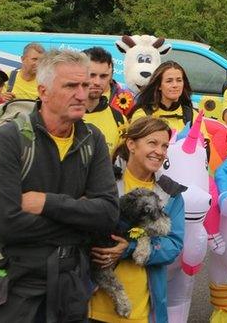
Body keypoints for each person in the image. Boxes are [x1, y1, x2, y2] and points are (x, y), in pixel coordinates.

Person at [0, 48, 118, 322]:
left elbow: (108, 213)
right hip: (13, 288)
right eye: (71, 86)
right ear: (43, 92)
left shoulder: (92, 139)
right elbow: (5, 223)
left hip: (71, 288)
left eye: (85, 85)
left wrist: (45, 203)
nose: (82, 93)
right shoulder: (10, 138)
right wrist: (80, 218)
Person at [88, 116, 185, 323]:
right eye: (152, 143)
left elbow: (174, 245)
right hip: (91, 306)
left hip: (140, 311)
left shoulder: (170, 193)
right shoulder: (104, 181)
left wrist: (129, 248)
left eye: (165, 146)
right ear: (131, 144)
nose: (159, 151)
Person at [81, 47, 127, 156]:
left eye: (103, 76)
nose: (97, 82)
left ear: (110, 77)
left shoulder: (119, 120)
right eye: (92, 75)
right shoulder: (62, 115)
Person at [131, 61, 194, 130]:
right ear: (159, 86)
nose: (175, 85)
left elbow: (204, 140)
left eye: (179, 80)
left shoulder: (192, 116)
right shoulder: (142, 115)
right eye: (169, 81)